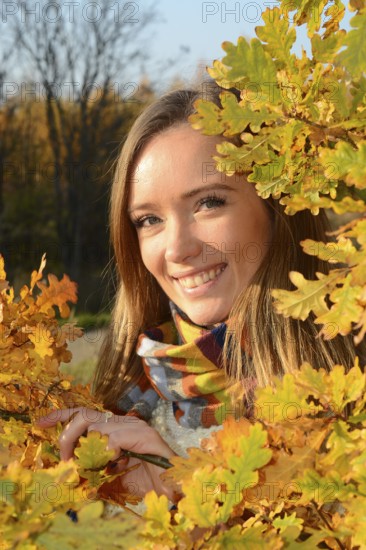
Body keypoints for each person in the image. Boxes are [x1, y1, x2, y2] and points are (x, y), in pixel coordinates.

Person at [38, 82, 363, 504]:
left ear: (278, 209)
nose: (177, 249)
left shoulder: (350, 395)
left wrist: (187, 505)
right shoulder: (119, 416)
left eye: (208, 203)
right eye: (149, 219)